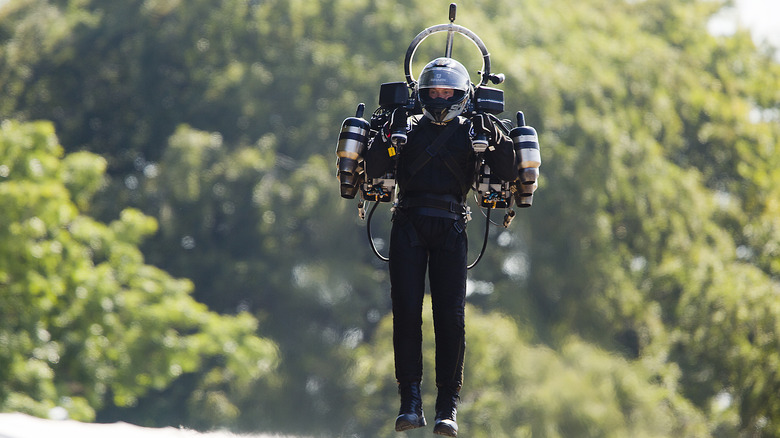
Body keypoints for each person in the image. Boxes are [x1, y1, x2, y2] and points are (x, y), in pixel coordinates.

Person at [364, 57, 517, 437]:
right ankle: (409, 403)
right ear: (422, 91)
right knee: (406, 315)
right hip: (408, 225)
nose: (438, 96)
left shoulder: (475, 131)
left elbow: (510, 171)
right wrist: (389, 135)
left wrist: (494, 135)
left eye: (446, 91)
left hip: (451, 228)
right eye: (433, 90)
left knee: (451, 319)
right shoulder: (404, 127)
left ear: (461, 94)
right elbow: (371, 166)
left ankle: (447, 407)